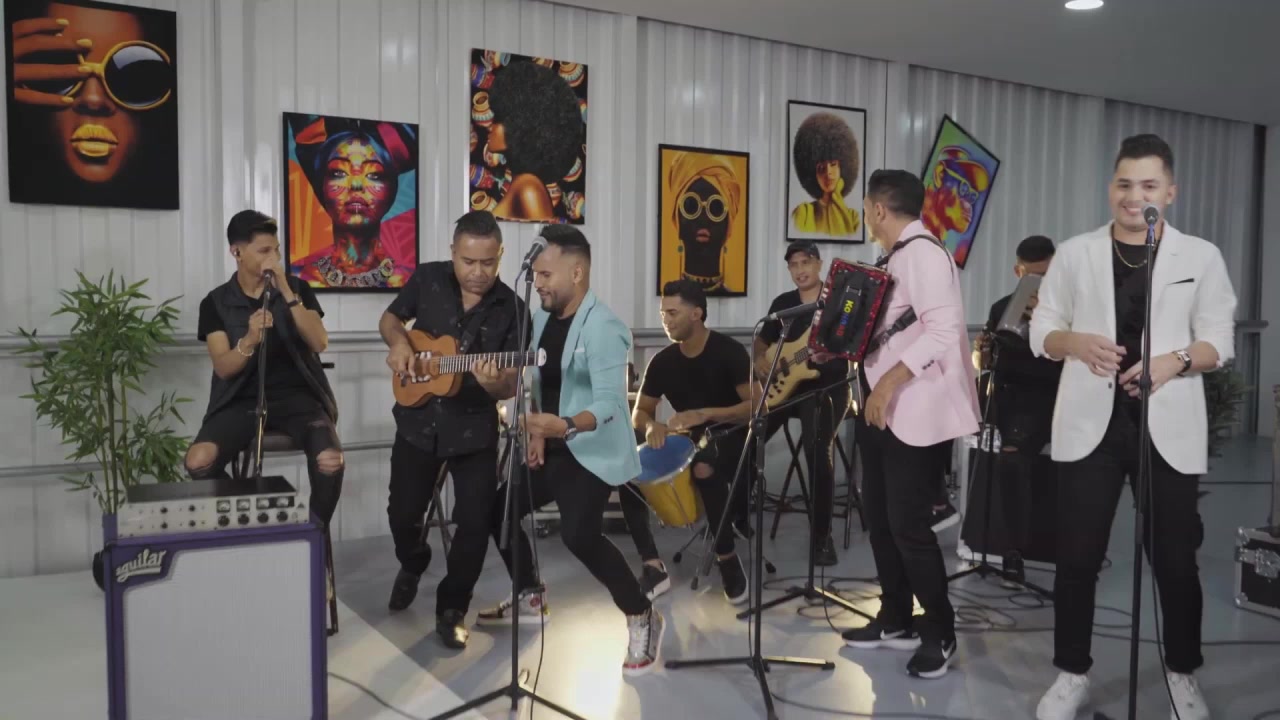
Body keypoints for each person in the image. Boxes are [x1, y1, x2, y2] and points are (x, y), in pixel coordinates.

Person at [1029, 134, 1235, 720]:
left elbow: (1219, 339)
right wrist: (1073, 342)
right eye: (1124, 183)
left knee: (1175, 560)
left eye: (1148, 185)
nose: (1133, 195)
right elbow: (1041, 328)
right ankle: (1071, 674)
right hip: (1089, 427)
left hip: (1165, 427)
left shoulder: (1200, 256)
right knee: (1076, 558)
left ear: (1169, 192)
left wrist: (1176, 361)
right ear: (1110, 187)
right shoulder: (1076, 253)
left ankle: (1182, 673)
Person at [474, 225, 665, 676]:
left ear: (576, 273)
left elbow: (611, 406)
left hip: (592, 447)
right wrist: (539, 430)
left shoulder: (605, 328)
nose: (537, 283)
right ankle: (530, 595)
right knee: (499, 510)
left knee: (579, 536)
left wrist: (559, 426)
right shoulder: (541, 318)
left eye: (545, 275)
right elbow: (539, 381)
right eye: (536, 274)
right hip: (554, 439)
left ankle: (641, 613)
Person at [840, 169, 980, 680]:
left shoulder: (924, 254)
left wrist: (886, 385)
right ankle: (896, 616)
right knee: (879, 519)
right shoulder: (895, 257)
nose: (866, 217)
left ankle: (939, 630)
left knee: (909, 526)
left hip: (914, 411)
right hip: (883, 410)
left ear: (878, 209)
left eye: (865, 209)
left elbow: (943, 331)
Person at [378, 210, 526, 651]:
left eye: (488, 263)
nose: (478, 272)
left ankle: (452, 608)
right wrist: (400, 343)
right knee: (402, 514)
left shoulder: (513, 309)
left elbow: (509, 384)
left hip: (474, 431)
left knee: (474, 523)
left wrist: (491, 381)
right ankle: (414, 561)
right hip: (417, 421)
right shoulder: (428, 279)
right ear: (453, 253)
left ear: (501, 255)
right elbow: (390, 320)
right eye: (468, 261)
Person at [185, 210, 343, 528]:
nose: (274, 258)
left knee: (330, 461)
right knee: (198, 461)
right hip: (240, 399)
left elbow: (319, 341)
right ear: (237, 252)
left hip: (299, 399)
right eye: (264, 251)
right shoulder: (215, 303)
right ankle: (251, 520)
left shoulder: (298, 289)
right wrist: (249, 340)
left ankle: (313, 535)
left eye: (277, 250)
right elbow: (224, 367)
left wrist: (286, 289)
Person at [632, 280, 758, 605]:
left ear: (696, 313)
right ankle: (651, 562)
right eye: (663, 313)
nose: (666, 320)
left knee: (703, 466)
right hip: (691, 438)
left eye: (673, 313)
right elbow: (640, 412)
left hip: (734, 434)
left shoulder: (729, 351)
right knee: (628, 467)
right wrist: (651, 426)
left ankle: (727, 558)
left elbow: (757, 407)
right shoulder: (662, 361)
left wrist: (705, 413)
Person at [754, 241, 852, 566]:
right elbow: (762, 340)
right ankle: (736, 517)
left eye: (805, 262)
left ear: (819, 264)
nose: (800, 270)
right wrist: (759, 358)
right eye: (793, 265)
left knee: (817, 449)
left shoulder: (838, 301)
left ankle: (822, 538)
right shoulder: (784, 303)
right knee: (751, 437)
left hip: (827, 388)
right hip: (786, 390)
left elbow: (852, 340)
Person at [971, 235, 1061, 583]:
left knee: (1015, 455)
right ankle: (1009, 548)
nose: (1039, 284)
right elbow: (984, 364)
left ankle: (1018, 547)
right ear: (1018, 272)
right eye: (1032, 277)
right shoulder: (1002, 309)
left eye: (1045, 275)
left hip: (1051, 396)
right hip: (1011, 396)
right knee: (1009, 457)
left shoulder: (1069, 311)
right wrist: (982, 351)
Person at [286, 115, 418, 289]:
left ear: (391, 189)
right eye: (339, 173)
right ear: (322, 185)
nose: (356, 185)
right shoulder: (298, 280)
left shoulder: (410, 282)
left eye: (373, 174)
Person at [789, 113, 861, 237]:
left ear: (842, 167)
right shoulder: (804, 214)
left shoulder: (853, 218)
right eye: (821, 168)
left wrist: (836, 195)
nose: (828, 173)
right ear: (813, 173)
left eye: (833, 164)